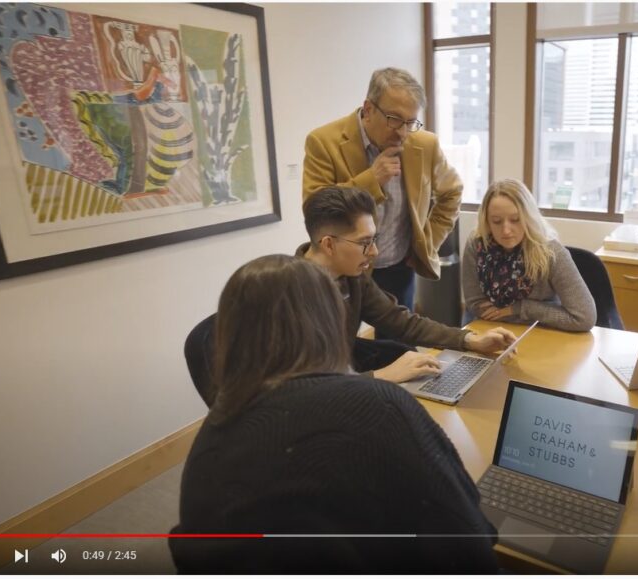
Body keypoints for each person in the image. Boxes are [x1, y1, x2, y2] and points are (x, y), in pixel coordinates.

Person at [169, 255, 499, 573]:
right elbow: (469, 540)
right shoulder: (378, 407)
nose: (374, 251)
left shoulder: (209, 439)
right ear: (328, 322)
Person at [301, 186, 515, 383]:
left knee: (404, 355)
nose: (375, 251)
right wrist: (382, 376)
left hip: (345, 373)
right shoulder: (289, 295)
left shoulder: (353, 277)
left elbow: (400, 321)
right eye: (365, 243)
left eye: (375, 239)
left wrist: (470, 340)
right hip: (321, 394)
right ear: (328, 244)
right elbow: (305, 388)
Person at [303, 67, 462, 312]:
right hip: (343, 266)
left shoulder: (424, 144)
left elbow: (452, 192)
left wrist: (425, 242)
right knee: (339, 341)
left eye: (410, 122)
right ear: (368, 109)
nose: (402, 132)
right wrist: (371, 180)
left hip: (399, 264)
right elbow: (314, 208)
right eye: (394, 119)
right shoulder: (324, 142)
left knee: (400, 342)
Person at [462, 178, 596, 332]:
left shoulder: (552, 253)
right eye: (497, 221)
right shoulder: (477, 244)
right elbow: (476, 304)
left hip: (541, 333)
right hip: (490, 330)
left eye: (515, 220)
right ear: (486, 221)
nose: (506, 230)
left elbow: (584, 318)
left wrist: (520, 309)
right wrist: (546, 312)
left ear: (529, 218)